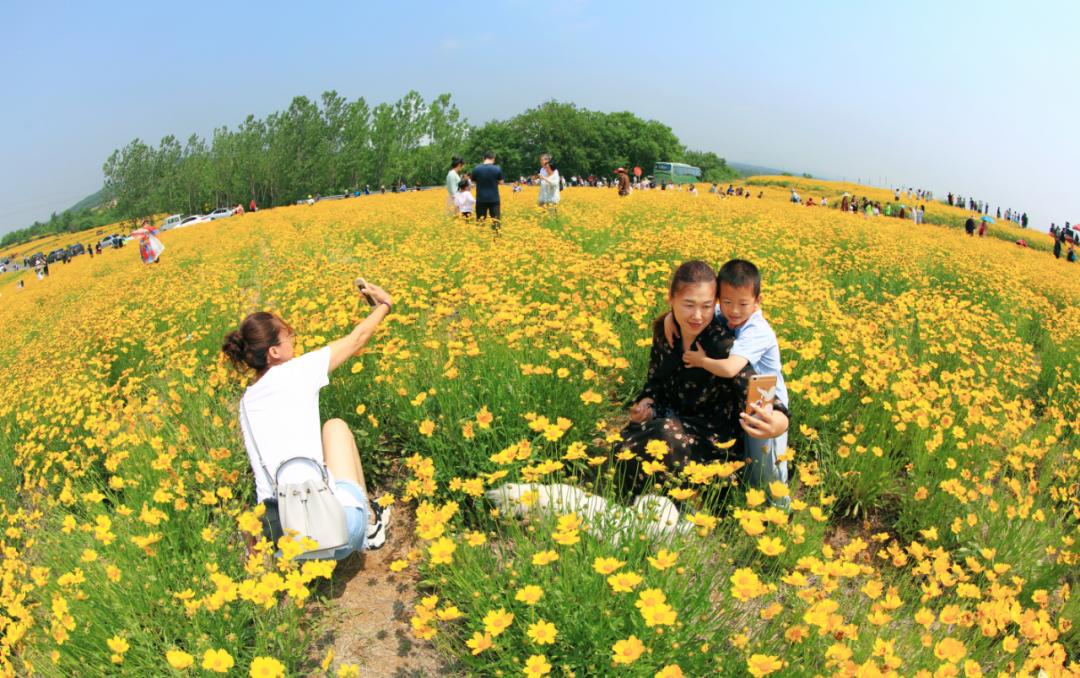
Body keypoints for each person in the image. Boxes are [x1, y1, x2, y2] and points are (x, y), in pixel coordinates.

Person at [221, 281, 394, 559]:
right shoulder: (297, 371)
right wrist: (384, 305)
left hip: (289, 549)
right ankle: (370, 525)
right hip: (337, 533)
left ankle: (317, 553)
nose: (293, 338)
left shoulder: (245, 404)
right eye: (288, 334)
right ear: (274, 352)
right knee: (335, 427)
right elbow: (357, 339)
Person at [617, 261, 790, 501]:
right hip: (673, 419)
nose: (697, 316)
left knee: (664, 436)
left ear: (713, 305)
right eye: (688, 305)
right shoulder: (665, 331)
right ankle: (646, 501)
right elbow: (654, 381)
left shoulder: (721, 345)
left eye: (706, 306)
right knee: (625, 443)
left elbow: (756, 386)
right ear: (671, 300)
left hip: (714, 437)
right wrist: (646, 402)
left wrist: (780, 421)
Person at [668, 260, 791, 506]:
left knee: (767, 463)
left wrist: (702, 361)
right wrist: (670, 318)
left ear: (758, 301)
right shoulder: (723, 313)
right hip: (742, 394)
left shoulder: (757, 329)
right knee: (748, 456)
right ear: (718, 300)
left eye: (743, 304)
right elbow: (696, 312)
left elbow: (731, 368)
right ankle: (748, 500)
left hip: (765, 401)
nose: (734, 311)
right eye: (726, 302)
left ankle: (779, 509)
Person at [471, 151, 503, 234]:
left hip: (481, 199)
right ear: (493, 158)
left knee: (480, 221)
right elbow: (501, 182)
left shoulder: (476, 169)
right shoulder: (497, 168)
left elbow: (473, 182)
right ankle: (496, 240)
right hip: (494, 199)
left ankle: (480, 238)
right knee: (496, 222)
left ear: (484, 158)